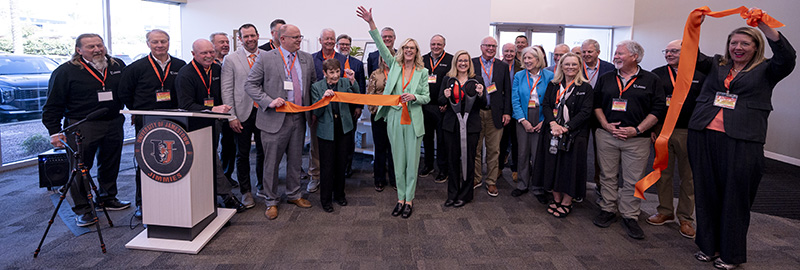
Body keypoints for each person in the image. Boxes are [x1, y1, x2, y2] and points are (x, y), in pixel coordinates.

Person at [688, 18, 795, 269]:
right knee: (706, 193)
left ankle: (731, 254)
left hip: (742, 141)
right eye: (734, 42)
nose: (738, 47)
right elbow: (691, 52)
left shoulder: (768, 69)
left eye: (745, 43)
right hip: (704, 135)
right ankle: (708, 246)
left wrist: (764, 26)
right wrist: (694, 24)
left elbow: (787, 56)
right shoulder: (717, 65)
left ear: (756, 46)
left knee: (735, 197)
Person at [42, 33, 130, 227]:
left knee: (110, 163)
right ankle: (83, 209)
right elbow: (52, 105)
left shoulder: (117, 66)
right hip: (82, 124)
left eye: (99, 45)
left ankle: (107, 198)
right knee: (80, 168)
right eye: (91, 47)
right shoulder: (65, 72)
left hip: (113, 122)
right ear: (79, 50)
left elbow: (127, 91)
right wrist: (55, 131)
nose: (97, 49)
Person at [358, 6, 430, 219]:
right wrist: (371, 22)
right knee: (398, 160)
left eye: (412, 48)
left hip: (414, 121)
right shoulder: (394, 66)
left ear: (416, 51)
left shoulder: (423, 72)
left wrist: (415, 97)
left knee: (412, 161)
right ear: (401, 50)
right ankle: (400, 198)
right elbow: (381, 45)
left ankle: (410, 199)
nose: (408, 50)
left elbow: (427, 97)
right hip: (395, 118)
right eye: (405, 47)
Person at [592, 40, 666, 240]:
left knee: (634, 180)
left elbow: (658, 109)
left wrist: (637, 129)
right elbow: (596, 104)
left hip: (637, 139)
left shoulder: (651, 79)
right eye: (615, 53)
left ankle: (630, 215)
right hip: (607, 135)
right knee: (608, 175)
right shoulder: (607, 78)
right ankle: (607, 209)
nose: (615, 56)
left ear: (634, 57)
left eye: (620, 53)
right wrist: (605, 125)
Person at [244, 24, 316, 220]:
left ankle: (294, 194)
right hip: (274, 118)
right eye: (295, 37)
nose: (299, 40)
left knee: (295, 160)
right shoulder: (266, 57)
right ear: (282, 39)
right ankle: (271, 201)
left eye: (300, 36)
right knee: (272, 163)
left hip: (299, 118)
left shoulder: (306, 58)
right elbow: (250, 84)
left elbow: (313, 85)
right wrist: (268, 101)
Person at [118, 29, 186, 219]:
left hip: (175, 120)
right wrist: (136, 111)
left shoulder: (180, 65)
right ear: (148, 44)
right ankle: (142, 202)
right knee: (146, 162)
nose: (160, 45)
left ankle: (173, 198)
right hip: (147, 121)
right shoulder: (136, 67)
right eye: (155, 42)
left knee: (175, 160)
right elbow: (125, 92)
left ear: (169, 43)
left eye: (163, 41)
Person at [175, 39, 245, 212]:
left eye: (211, 52)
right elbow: (185, 104)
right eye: (203, 53)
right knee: (209, 159)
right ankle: (226, 196)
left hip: (215, 122)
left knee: (212, 159)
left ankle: (213, 195)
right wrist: (212, 108)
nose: (208, 56)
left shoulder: (217, 69)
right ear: (193, 54)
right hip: (194, 126)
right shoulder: (185, 74)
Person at [647, 39, 705, 239]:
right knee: (663, 172)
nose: (669, 54)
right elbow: (652, 103)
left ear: (686, 53)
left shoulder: (700, 74)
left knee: (688, 177)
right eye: (667, 51)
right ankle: (665, 210)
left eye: (674, 51)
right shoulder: (657, 74)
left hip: (689, 131)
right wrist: (653, 128)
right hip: (663, 130)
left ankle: (686, 218)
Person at [532, 52, 593, 218]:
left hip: (574, 135)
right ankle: (556, 197)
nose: (570, 67)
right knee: (552, 165)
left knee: (569, 168)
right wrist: (552, 124)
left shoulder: (585, 87)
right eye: (567, 64)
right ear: (561, 66)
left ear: (579, 66)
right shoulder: (553, 84)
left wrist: (565, 127)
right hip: (551, 132)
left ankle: (567, 201)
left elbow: (586, 112)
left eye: (574, 64)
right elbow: (546, 105)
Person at [220, 23, 267, 209]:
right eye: (245, 36)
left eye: (252, 35)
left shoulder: (267, 56)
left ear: (258, 36)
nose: (250, 39)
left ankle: (262, 186)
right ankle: (246, 191)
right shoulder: (231, 59)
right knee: (242, 154)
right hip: (241, 113)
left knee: (264, 152)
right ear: (240, 39)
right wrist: (231, 116)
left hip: (264, 111)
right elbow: (227, 89)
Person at [311, 59, 359, 213]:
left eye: (337, 71)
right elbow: (316, 113)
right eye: (331, 72)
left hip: (344, 129)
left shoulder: (345, 83)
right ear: (325, 73)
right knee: (327, 166)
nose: (335, 75)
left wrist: (353, 81)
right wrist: (324, 100)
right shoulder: (317, 87)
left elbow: (356, 97)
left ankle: (340, 194)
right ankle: (325, 200)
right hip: (326, 132)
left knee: (341, 164)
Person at [439, 50, 485, 208]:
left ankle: (465, 195)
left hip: (471, 125)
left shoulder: (477, 80)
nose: (463, 63)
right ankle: (452, 195)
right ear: (455, 63)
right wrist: (445, 95)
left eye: (466, 60)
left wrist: (480, 94)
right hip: (452, 125)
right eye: (460, 61)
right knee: (452, 160)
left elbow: (484, 104)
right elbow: (440, 100)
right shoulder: (448, 79)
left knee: (468, 160)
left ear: (469, 63)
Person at [308, 28, 350, 193]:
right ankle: (315, 176)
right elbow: (310, 82)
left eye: (332, 39)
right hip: (319, 107)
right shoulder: (312, 59)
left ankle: (335, 181)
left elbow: (348, 82)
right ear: (320, 41)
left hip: (339, 109)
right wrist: (313, 109)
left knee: (339, 150)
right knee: (317, 148)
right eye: (326, 39)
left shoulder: (342, 58)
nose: (330, 41)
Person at [509, 47, 554, 202]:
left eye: (530, 58)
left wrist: (545, 121)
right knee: (522, 153)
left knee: (538, 154)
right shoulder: (519, 76)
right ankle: (522, 185)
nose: (527, 61)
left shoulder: (550, 76)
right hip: (523, 118)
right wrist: (523, 120)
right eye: (525, 58)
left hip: (543, 117)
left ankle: (538, 187)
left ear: (538, 59)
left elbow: (553, 101)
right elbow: (515, 100)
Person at [472, 36, 512, 197]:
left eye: (493, 46)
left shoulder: (502, 66)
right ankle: (476, 178)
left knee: (494, 150)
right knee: (476, 149)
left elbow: (508, 91)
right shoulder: (472, 63)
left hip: (495, 113)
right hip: (476, 112)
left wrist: (507, 112)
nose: (490, 48)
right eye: (487, 45)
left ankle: (491, 181)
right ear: (481, 47)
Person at [420, 34, 453, 183]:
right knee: (426, 137)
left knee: (441, 139)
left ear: (444, 45)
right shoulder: (422, 59)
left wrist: (446, 102)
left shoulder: (450, 60)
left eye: (439, 44)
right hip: (425, 105)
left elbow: (452, 83)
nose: (436, 47)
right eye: (433, 44)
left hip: (442, 107)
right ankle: (428, 165)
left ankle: (442, 169)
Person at [336, 33, 367, 180]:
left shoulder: (357, 64)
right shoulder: (333, 62)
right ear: (337, 45)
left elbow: (361, 86)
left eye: (347, 44)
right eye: (342, 44)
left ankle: (348, 167)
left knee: (349, 139)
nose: (344, 47)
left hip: (350, 108)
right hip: (335, 108)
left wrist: (359, 106)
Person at [210, 31, 236, 187]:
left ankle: (227, 174)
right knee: (211, 146)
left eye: (227, 42)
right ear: (213, 44)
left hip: (229, 109)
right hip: (212, 111)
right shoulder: (207, 63)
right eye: (221, 42)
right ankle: (214, 178)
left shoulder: (232, 61)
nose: (225, 44)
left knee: (229, 144)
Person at [366, 55, 396, 192]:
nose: (386, 59)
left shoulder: (399, 73)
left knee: (394, 149)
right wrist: (377, 110)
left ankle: (395, 179)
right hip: (378, 115)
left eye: (389, 56)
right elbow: (370, 95)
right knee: (380, 148)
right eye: (384, 57)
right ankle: (379, 179)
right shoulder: (375, 74)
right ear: (381, 59)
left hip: (395, 115)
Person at [500, 43, 522, 183]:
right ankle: (499, 168)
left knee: (516, 141)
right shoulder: (497, 66)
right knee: (501, 141)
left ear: (516, 52)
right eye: (506, 51)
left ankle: (515, 169)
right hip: (501, 110)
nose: (509, 54)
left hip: (517, 110)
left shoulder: (522, 66)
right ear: (502, 52)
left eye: (511, 51)